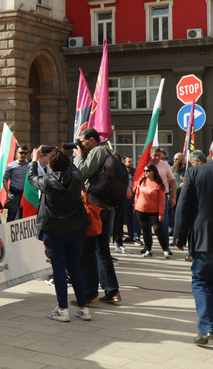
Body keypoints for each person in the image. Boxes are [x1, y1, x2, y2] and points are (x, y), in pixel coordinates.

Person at [28, 146, 91, 323]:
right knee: (75, 268)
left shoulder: (47, 180)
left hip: (54, 230)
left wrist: (34, 159)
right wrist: (63, 155)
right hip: (75, 229)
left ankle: (62, 309)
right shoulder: (77, 178)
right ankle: (83, 308)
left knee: (58, 270)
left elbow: (32, 178)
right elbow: (75, 169)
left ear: (51, 165)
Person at [174, 138, 213, 345]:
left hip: (204, 237)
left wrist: (179, 236)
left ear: (210, 153)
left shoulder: (195, 172)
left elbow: (184, 205)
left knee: (202, 282)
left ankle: (205, 328)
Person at [73, 128, 121, 305]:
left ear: (92, 140)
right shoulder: (108, 151)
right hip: (107, 206)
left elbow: (82, 173)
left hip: (96, 207)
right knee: (102, 250)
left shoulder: (99, 151)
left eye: (82, 141)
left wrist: (78, 155)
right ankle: (112, 291)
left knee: (88, 251)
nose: (80, 144)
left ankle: (90, 294)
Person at [132, 164, 171, 258]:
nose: (146, 172)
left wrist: (161, 213)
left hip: (154, 211)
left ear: (153, 172)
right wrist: (135, 206)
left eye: (148, 170)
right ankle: (148, 249)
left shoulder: (158, 184)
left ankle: (165, 250)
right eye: (145, 170)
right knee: (145, 231)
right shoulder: (142, 181)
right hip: (141, 210)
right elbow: (137, 195)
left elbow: (162, 201)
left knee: (158, 230)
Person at [3, 145, 30, 222]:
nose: (23, 155)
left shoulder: (29, 165)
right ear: (17, 153)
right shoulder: (11, 165)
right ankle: (8, 233)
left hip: (25, 194)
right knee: (12, 214)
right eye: (21, 153)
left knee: (24, 215)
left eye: (25, 153)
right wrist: (8, 192)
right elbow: (5, 180)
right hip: (14, 193)